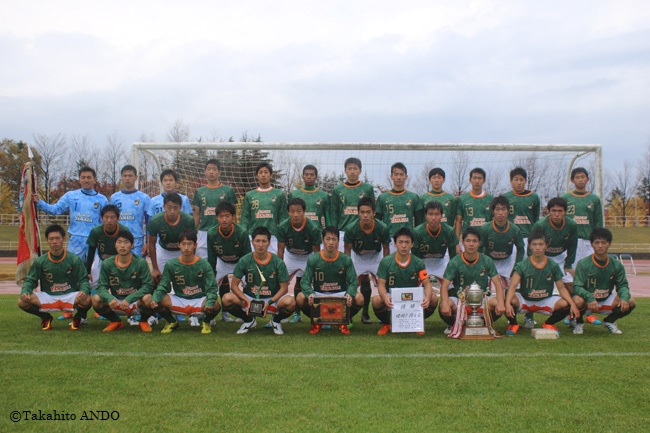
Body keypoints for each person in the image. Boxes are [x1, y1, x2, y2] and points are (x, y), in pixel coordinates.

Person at [504, 229, 580, 335]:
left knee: (566, 304)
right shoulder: (522, 265)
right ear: (529, 246)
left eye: (541, 244)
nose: (537, 247)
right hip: (525, 300)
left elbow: (562, 288)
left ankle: (549, 323)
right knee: (508, 299)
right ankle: (513, 324)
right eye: (534, 244)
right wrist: (507, 304)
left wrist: (572, 304)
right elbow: (513, 286)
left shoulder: (553, 265)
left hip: (545, 300)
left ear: (546, 246)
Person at [222, 227, 295, 335]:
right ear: (252, 242)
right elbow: (234, 286)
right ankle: (248, 320)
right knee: (226, 298)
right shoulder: (245, 260)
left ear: (269, 243)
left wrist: (270, 302)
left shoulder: (277, 262)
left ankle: (275, 321)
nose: (260, 245)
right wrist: (247, 301)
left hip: (272, 299)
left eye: (264, 241)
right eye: (257, 241)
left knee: (291, 302)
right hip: (250, 298)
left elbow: (284, 289)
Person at [18, 225, 91, 330]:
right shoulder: (40, 261)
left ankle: (77, 318)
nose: (55, 241)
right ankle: (45, 317)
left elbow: (83, 279)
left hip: (69, 295)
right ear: (47, 240)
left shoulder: (74, 259)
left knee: (87, 299)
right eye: (51, 239)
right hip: (48, 296)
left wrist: (84, 290)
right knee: (22, 301)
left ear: (63, 238)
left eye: (57, 238)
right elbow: (31, 280)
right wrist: (26, 291)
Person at [150, 230, 221, 334]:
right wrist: (155, 298)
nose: (186, 248)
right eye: (183, 244)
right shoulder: (171, 264)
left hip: (199, 301)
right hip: (179, 299)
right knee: (157, 299)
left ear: (195, 245)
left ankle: (206, 322)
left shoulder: (204, 264)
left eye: (189, 244)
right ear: (179, 245)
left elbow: (212, 287)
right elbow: (163, 286)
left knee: (215, 305)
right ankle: (171, 321)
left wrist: (209, 302)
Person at [33, 166, 108, 264]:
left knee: (94, 271)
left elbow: (105, 223)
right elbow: (55, 209)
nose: (86, 180)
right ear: (79, 180)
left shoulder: (102, 199)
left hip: (94, 241)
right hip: (75, 241)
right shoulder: (71, 196)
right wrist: (39, 202)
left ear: (94, 180)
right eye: (83, 177)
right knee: (73, 268)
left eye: (89, 177)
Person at [439, 228, 506, 335]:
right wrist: (445, 304)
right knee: (443, 305)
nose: (471, 244)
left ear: (479, 243)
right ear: (462, 242)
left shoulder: (486, 260)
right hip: (460, 299)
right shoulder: (455, 262)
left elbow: (498, 283)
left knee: (498, 304)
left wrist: (501, 304)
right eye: (468, 241)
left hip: (481, 299)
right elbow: (444, 285)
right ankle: (453, 325)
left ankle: (485, 324)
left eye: (474, 241)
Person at [298, 226, 363, 334]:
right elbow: (304, 282)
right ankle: (317, 321)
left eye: (334, 239)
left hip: (340, 294)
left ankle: (343, 320)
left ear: (338, 241)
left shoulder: (345, 259)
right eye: (328, 239)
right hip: (320, 294)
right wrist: (310, 294)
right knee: (300, 297)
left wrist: (349, 294)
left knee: (359, 298)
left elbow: (353, 281)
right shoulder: (313, 259)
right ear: (323, 240)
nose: (331, 243)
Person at [373, 228, 437, 335]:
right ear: (395, 244)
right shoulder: (386, 262)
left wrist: (427, 298)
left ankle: (417, 323)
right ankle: (387, 323)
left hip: (412, 297)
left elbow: (427, 284)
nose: (403, 246)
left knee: (433, 298)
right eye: (400, 242)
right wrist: (385, 297)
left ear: (412, 244)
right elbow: (381, 285)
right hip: (392, 296)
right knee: (376, 300)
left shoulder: (418, 262)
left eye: (407, 242)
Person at [571, 228, 636, 335]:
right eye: (597, 242)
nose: (600, 246)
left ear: (609, 244)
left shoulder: (616, 265)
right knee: (577, 300)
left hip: (605, 299)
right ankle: (578, 322)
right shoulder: (583, 264)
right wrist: (589, 298)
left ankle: (609, 321)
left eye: (603, 242)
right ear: (591, 244)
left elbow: (622, 285)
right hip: (587, 301)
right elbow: (577, 286)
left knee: (630, 300)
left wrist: (624, 298)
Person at [562, 167, 605, 326]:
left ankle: (588, 312)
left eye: (583, 177)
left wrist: (597, 242)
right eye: (577, 177)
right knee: (570, 278)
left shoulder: (594, 199)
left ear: (587, 179)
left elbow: (598, 223)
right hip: (571, 243)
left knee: (589, 277)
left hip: (588, 243)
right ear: (572, 180)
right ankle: (571, 311)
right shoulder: (566, 198)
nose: (580, 180)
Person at [92, 230, 155, 332]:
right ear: (115, 245)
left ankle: (143, 321)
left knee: (148, 298)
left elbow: (148, 286)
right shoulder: (107, 263)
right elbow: (101, 286)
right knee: (95, 299)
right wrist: (109, 298)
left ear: (132, 245)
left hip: (135, 302)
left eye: (126, 242)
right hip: (116, 302)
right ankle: (115, 321)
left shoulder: (140, 263)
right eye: (119, 242)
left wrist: (129, 299)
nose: (122, 245)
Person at [502, 166, 541, 328]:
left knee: (528, 277)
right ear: (511, 181)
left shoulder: (534, 197)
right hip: (511, 241)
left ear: (525, 181)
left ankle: (529, 315)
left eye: (521, 180)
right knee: (510, 277)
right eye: (515, 180)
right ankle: (510, 312)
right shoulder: (506, 197)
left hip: (528, 241)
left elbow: (536, 220)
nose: (518, 182)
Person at [344, 197, 391, 324]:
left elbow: (386, 248)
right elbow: (347, 250)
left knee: (385, 284)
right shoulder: (351, 228)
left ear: (374, 213)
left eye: (368, 212)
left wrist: (386, 267)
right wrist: (348, 270)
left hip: (376, 257)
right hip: (358, 257)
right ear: (358, 213)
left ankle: (384, 314)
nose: (365, 215)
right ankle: (348, 315)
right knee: (349, 285)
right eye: (362, 212)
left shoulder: (382, 227)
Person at [277, 198, 322, 323]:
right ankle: (278, 316)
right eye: (292, 211)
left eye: (298, 211)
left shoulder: (313, 228)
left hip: (308, 256)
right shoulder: (282, 226)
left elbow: (317, 252)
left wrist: (316, 268)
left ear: (304, 211)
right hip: (290, 256)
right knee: (278, 283)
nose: (295, 214)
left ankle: (319, 316)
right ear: (288, 212)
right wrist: (279, 268)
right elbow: (280, 250)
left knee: (313, 283)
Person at [206, 201, 252, 323]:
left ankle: (247, 312)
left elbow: (247, 257)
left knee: (250, 283)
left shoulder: (242, 232)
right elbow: (211, 258)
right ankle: (211, 314)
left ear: (233, 217)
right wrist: (211, 275)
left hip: (239, 262)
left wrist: (245, 273)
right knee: (209, 284)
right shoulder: (211, 233)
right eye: (221, 216)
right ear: (217, 217)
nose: (224, 219)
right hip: (222, 262)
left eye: (227, 216)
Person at [192, 159, 237, 259]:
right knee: (203, 262)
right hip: (204, 231)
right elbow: (197, 214)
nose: (211, 172)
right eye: (208, 169)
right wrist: (194, 232)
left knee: (223, 260)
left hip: (223, 231)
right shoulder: (199, 192)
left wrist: (234, 231)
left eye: (214, 169)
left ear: (219, 172)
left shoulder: (228, 190)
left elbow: (233, 214)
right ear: (205, 172)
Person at [239, 162, 287, 254]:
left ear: (271, 175)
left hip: (273, 236)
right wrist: (243, 234)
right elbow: (245, 217)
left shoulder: (279, 194)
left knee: (272, 261)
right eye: (260, 172)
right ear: (256, 176)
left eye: (266, 172)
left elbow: (283, 217)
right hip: (253, 236)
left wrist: (283, 234)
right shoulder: (249, 195)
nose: (263, 175)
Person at [375, 162, 424, 252]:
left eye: (401, 174)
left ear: (406, 177)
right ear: (391, 176)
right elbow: (377, 222)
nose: (398, 177)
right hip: (389, 239)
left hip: (408, 239)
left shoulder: (413, 197)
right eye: (396, 174)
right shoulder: (382, 198)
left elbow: (419, 224)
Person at [478, 196, 525, 289]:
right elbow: (478, 248)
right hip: (489, 261)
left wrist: (516, 269)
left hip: (507, 261)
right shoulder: (485, 229)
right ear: (493, 211)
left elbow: (521, 249)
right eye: (497, 209)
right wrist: (481, 265)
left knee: (511, 288)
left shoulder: (515, 229)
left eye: (503, 209)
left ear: (508, 211)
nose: (500, 213)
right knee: (485, 289)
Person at [330, 157, 375, 251]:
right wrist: (334, 233)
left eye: (355, 168)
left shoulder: (367, 188)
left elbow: (373, 211)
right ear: (345, 170)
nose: (352, 171)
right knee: (344, 258)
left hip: (363, 231)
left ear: (360, 170)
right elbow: (334, 214)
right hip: (343, 231)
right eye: (349, 168)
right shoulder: (337, 190)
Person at [412, 201, 459, 286]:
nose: (433, 218)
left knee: (452, 284)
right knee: (415, 284)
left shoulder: (449, 231)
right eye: (430, 214)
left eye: (437, 214)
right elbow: (415, 258)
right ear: (425, 215)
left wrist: (453, 274)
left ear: (441, 215)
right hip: (423, 262)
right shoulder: (417, 232)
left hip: (441, 261)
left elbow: (453, 258)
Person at [109, 165, 151, 256]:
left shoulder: (144, 198)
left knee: (136, 264)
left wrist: (148, 242)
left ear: (136, 177)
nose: (127, 178)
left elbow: (149, 222)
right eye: (125, 176)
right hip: (119, 240)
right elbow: (110, 220)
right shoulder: (114, 197)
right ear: (121, 177)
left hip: (137, 241)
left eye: (130, 176)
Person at [86, 204, 130, 289]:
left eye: (112, 217)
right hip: (101, 259)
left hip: (119, 260)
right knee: (92, 282)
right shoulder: (96, 231)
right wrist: (88, 271)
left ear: (118, 218)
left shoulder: (124, 231)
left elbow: (127, 251)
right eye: (106, 217)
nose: (109, 221)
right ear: (102, 218)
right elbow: (91, 251)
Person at [455, 167, 493, 241]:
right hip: (468, 240)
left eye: (480, 178)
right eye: (474, 178)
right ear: (470, 180)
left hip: (486, 239)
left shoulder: (491, 199)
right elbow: (458, 222)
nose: (477, 181)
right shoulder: (462, 199)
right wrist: (456, 242)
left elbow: (494, 221)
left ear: (484, 181)